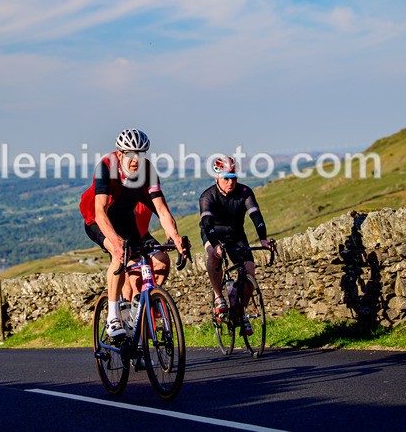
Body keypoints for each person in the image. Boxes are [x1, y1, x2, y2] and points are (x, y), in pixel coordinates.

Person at [80, 128, 189, 338]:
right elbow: (100, 211)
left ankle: (138, 307)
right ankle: (113, 316)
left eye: (140, 155)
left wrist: (176, 238)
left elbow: (162, 210)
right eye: (130, 154)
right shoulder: (106, 166)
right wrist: (115, 242)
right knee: (120, 255)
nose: (135, 160)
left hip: (125, 219)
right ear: (120, 154)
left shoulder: (147, 171)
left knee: (158, 261)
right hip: (97, 219)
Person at [199, 156, 270, 318]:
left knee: (249, 272)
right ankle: (219, 297)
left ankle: (239, 312)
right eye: (226, 179)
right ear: (216, 178)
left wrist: (263, 238)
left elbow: (256, 216)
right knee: (213, 255)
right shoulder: (207, 197)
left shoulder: (245, 192)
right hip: (212, 232)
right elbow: (207, 223)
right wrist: (215, 245)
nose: (230, 183)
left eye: (233, 178)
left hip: (236, 233)